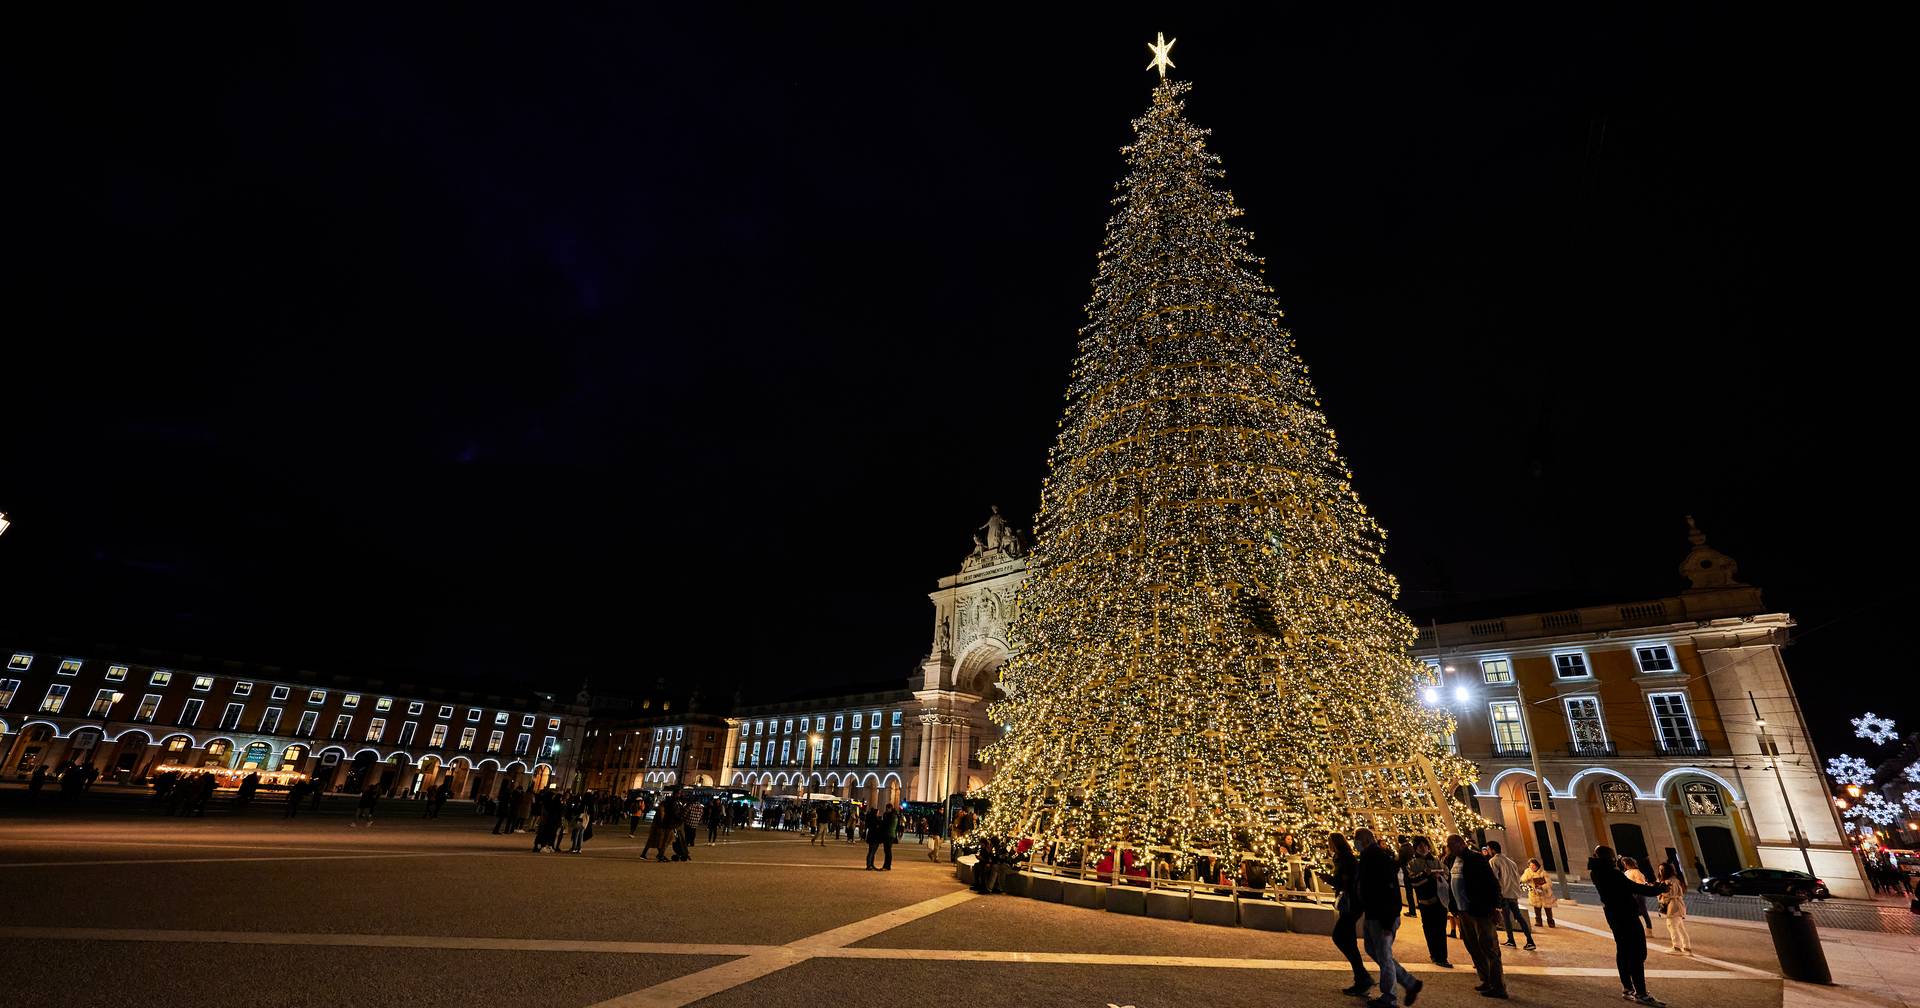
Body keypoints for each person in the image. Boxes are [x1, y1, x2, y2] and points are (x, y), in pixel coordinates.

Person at [1590, 845, 1668, 1006]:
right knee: (1637, 953)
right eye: (1613, 856)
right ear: (1609, 858)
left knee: (1623, 950)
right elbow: (1633, 887)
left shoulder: (1596, 872)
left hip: (1613, 916)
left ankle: (1628, 988)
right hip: (1626, 915)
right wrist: (1657, 889)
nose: (1615, 859)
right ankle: (1641, 992)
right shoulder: (1612, 873)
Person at [1354, 828, 1423, 1008]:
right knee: (1372, 949)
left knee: (1384, 955)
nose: (1356, 843)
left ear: (1366, 840)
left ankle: (1389, 998)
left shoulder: (1377, 857)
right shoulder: (1370, 857)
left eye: (1357, 839)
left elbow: (1389, 889)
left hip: (1382, 915)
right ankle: (1409, 983)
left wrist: (1387, 920)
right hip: (1373, 913)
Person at [1446, 834, 1507, 999]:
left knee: (1489, 948)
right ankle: (1486, 980)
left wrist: (1496, 907)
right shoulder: (1454, 860)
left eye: (1451, 846)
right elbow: (1452, 884)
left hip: (1480, 911)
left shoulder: (1476, 859)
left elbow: (1492, 883)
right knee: (1473, 947)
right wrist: (1454, 907)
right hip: (1463, 912)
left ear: (1460, 844)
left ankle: (1498, 985)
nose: (1448, 849)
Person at [1319, 832, 1375, 996]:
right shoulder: (1345, 857)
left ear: (1335, 844)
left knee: (1339, 936)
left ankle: (1362, 976)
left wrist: (1327, 878)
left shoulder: (1345, 858)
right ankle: (1361, 978)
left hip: (1352, 904)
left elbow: (1345, 882)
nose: (1329, 846)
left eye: (1330, 843)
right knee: (1348, 939)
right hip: (1353, 904)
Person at [1405, 837, 1453, 968]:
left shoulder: (1437, 860)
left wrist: (1439, 875)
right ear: (1415, 848)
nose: (1423, 848)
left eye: (1424, 845)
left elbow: (1447, 874)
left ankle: (1442, 956)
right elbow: (1413, 881)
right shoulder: (1412, 863)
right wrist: (1426, 875)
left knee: (1440, 930)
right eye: (1419, 846)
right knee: (1429, 929)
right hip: (1425, 901)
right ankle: (1434, 954)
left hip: (1439, 901)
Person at [1484, 841, 1534, 950]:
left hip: (1503, 893)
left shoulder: (1494, 861)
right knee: (1519, 917)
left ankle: (1511, 940)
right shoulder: (1511, 862)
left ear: (1492, 849)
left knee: (1506, 918)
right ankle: (1530, 940)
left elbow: (1493, 878)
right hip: (1513, 894)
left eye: (1488, 849)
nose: (1487, 851)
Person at [1655, 862, 1691, 955]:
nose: (1660, 871)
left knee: (1672, 926)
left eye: (1662, 869)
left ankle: (1677, 947)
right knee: (1680, 927)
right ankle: (1686, 947)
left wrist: (1660, 891)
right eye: (1660, 869)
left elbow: (1671, 894)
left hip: (1674, 906)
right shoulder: (1674, 879)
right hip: (1676, 905)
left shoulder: (1671, 881)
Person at [1521, 858, 1556, 928]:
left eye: (1533, 865)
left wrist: (1542, 886)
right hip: (1534, 893)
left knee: (1548, 908)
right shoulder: (1527, 872)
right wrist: (1528, 877)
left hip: (1545, 893)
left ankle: (1550, 922)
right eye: (1530, 866)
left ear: (1537, 865)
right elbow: (1522, 880)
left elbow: (1549, 883)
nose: (1532, 867)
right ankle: (1538, 922)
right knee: (1537, 908)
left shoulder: (1543, 872)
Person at [1622, 856, 1655, 931]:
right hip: (1630, 895)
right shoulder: (1626, 872)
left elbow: (1641, 883)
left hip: (1638, 895)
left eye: (1625, 863)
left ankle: (1649, 928)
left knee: (1644, 912)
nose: (1625, 865)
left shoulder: (1636, 872)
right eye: (1624, 864)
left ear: (1629, 864)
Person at [864, 806, 885, 870]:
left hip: (872, 837)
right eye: (878, 812)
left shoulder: (871, 819)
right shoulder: (874, 820)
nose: (878, 813)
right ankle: (869, 865)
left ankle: (871, 864)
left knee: (872, 852)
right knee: (871, 852)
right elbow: (877, 828)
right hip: (874, 838)